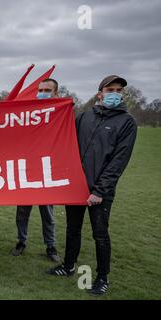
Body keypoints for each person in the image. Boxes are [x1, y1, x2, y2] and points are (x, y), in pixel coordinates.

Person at [47, 75, 137, 296]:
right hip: (77, 186)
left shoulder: (127, 122)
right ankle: (68, 266)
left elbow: (119, 161)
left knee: (100, 234)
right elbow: (66, 144)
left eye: (118, 90)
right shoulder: (85, 117)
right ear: (100, 93)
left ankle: (102, 277)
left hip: (100, 192)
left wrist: (99, 190)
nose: (114, 93)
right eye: (110, 89)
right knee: (73, 229)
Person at [11, 78, 60, 262]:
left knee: (48, 214)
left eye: (47, 90)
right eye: (40, 89)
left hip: (47, 172)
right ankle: (21, 241)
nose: (42, 93)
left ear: (55, 93)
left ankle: (51, 246)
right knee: (22, 213)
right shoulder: (27, 114)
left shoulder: (60, 114)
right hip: (27, 171)